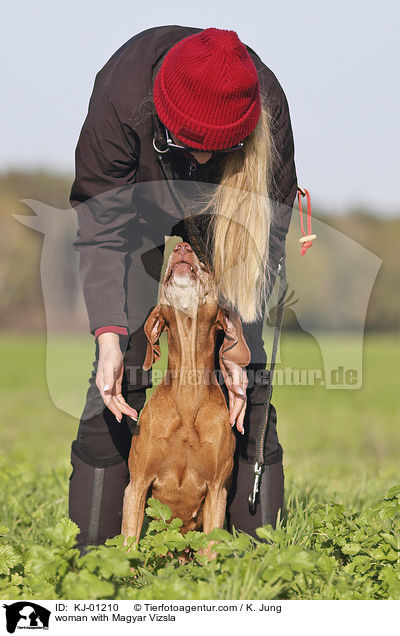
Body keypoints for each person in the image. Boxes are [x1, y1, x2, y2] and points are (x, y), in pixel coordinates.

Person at [69, 25, 298, 552]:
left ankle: (253, 556)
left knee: (249, 381)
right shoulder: (121, 97)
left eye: (211, 150)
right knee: (118, 367)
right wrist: (107, 332)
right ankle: (92, 558)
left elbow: (270, 234)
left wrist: (237, 340)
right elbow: (101, 226)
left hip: (232, 217)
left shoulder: (269, 110)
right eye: (184, 146)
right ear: (162, 117)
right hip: (137, 211)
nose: (196, 161)